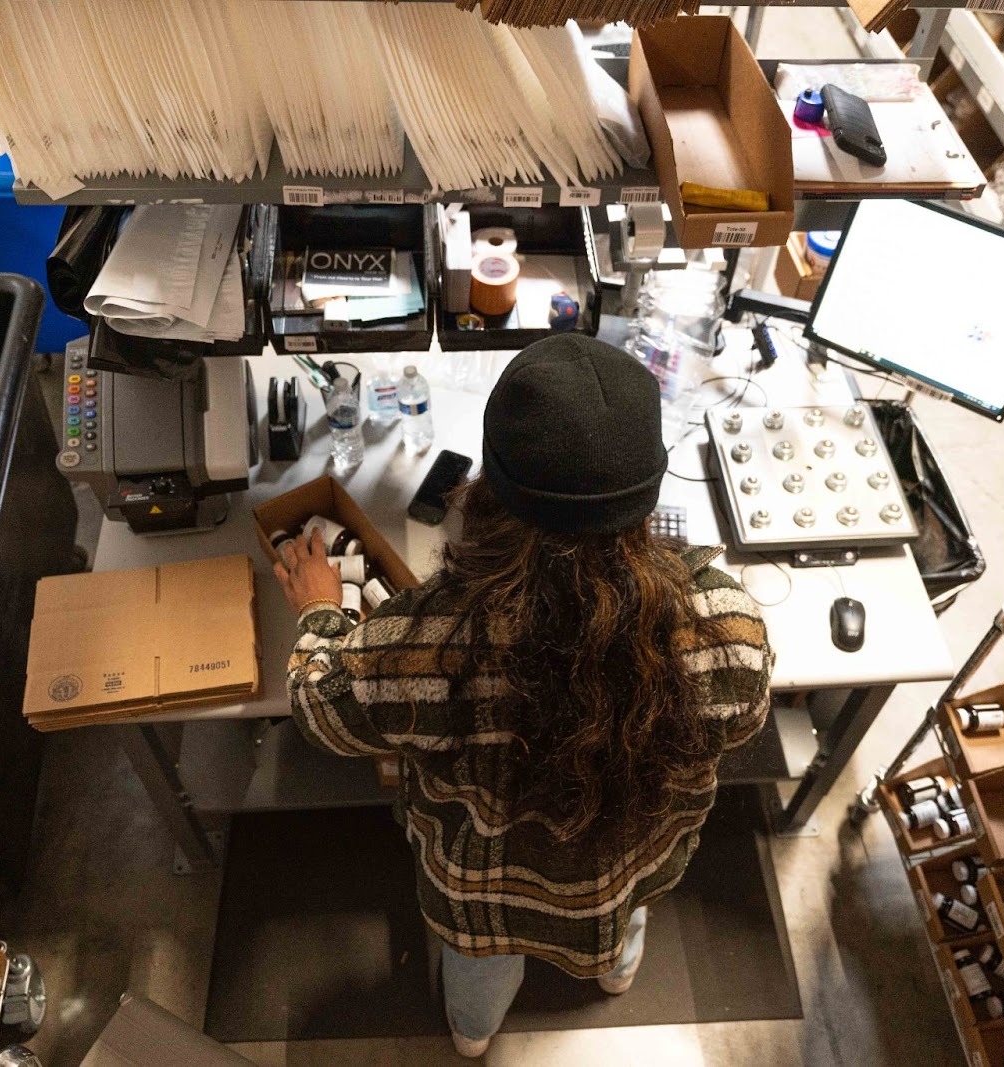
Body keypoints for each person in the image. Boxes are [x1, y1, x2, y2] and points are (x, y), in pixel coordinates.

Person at [271, 335, 773, 1057]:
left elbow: (320, 709)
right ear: (648, 492)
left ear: (490, 491)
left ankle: (474, 1034)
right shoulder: (727, 626)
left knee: (478, 965)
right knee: (625, 916)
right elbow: (745, 717)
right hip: (632, 865)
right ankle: (615, 970)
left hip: (486, 892)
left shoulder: (433, 640)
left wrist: (321, 612)